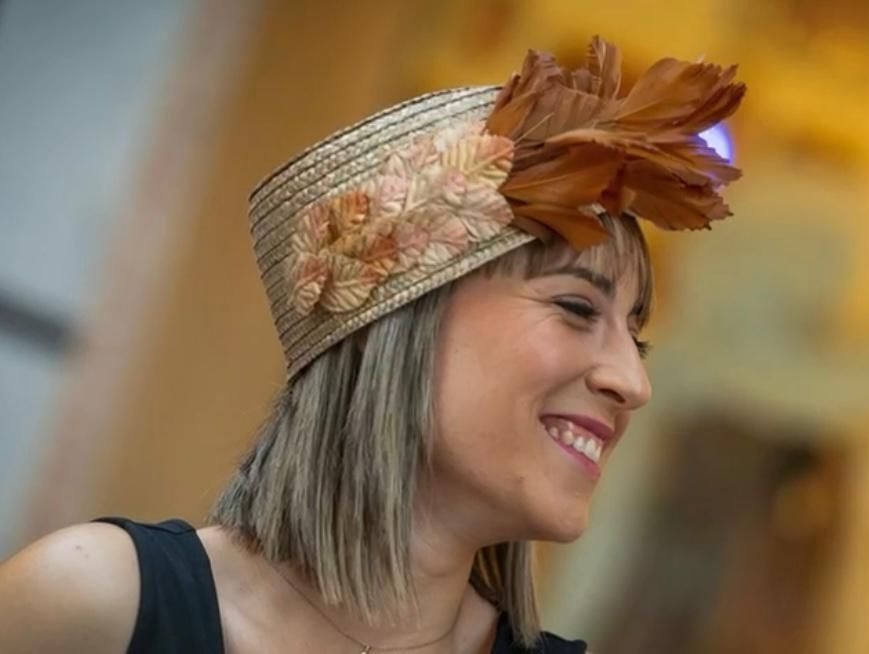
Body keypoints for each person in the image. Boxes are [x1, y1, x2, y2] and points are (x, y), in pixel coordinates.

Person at [0, 36, 744, 653]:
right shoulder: (91, 607)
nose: (632, 383)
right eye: (577, 308)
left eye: (637, 340)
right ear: (403, 317)